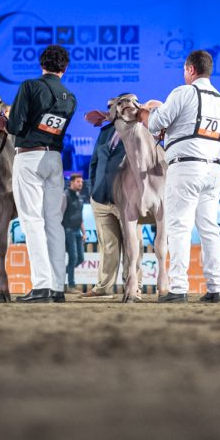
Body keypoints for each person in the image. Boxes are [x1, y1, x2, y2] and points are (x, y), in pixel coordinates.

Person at [145, 49, 220, 303]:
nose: (184, 74)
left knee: (179, 227)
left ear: (191, 69)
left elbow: (155, 123)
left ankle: (179, 287)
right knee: (210, 229)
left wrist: (147, 113)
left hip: (186, 168)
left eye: (184, 70)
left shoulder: (183, 92)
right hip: (213, 169)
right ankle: (215, 287)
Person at [7, 45, 78, 303]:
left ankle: (41, 286)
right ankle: (57, 287)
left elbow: (15, 126)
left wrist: (6, 117)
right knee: (53, 223)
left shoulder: (30, 86)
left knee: (32, 221)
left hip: (29, 157)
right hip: (54, 159)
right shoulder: (70, 98)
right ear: (64, 68)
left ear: (41, 64)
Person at [82, 104, 128, 298]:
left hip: (127, 200)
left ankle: (133, 287)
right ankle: (103, 288)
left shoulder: (139, 132)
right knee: (108, 245)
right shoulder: (105, 132)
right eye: (111, 107)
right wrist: (93, 190)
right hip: (100, 198)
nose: (112, 109)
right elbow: (94, 163)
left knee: (132, 246)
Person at [62, 174, 86, 288]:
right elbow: (60, 214)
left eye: (81, 182)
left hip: (77, 231)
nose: (81, 184)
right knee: (73, 258)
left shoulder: (79, 196)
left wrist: (84, 233)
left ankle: (62, 273)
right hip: (68, 230)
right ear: (71, 182)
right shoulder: (65, 195)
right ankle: (71, 285)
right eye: (78, 181)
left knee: (81, 258)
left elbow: (80, 217)